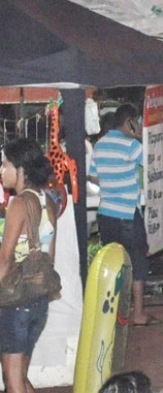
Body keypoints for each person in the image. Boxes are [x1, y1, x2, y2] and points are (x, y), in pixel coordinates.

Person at [89, 104, 158, 327]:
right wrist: (140, 137)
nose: (139, 126)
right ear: (129, 121)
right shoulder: (131, 145)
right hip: (128, 214)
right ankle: (137, 313)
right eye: (136, 122)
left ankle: (117, 313)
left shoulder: (99, 145)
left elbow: (93, 177)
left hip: (106, 214)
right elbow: (153, 163)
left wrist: (112, 184)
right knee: (137, 262)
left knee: (115, 263)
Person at [0, 138, 57, 393]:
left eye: (5, 164)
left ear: (21, 169)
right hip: (38, 300)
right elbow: (49, 258)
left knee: (12, 381)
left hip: (14, 303)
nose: (1, 170)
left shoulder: (19, 204)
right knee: (21, 377)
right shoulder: (48, 202)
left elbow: (4, 259)